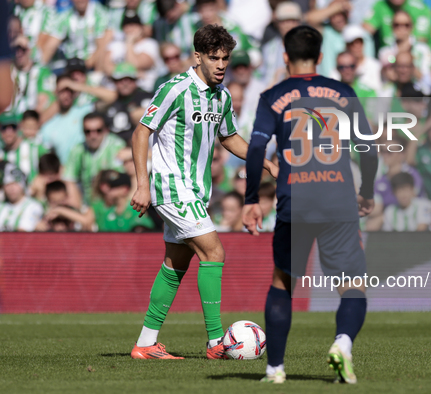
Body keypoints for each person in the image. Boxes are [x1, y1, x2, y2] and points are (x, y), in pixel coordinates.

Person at [129, 24, 277, 360]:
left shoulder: (222, 96)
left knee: (175, 264)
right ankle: (216, 344)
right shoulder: (176, 89)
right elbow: (141, 133)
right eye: (214, 58)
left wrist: (265, 163)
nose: (222, 64)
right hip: (171, 188)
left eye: (226, 58)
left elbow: (230, 138)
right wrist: (142, 183)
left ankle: (146, 344)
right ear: (198, 57)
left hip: (196, 192)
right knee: (214, 253)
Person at [242, 26, 378, 383]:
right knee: (353, 285)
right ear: (320, 57)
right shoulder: (343, 93)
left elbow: (256, 148)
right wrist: (367, 192)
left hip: (294, 200)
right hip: (338, 199)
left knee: (283, 282)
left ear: (285, 57)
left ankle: (275, 370)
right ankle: (343, 344)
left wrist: (252, 199)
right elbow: (368, 147)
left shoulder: (273, 96)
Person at [47, 170, 155, 232]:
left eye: (113, 187)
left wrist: (59, 210)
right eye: (106, 185)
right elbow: (86, 221)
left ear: (125, 189)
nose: (105, 189)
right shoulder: (102, 207)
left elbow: (142, 232)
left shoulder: (135, 209)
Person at [62, 112, 126, 205]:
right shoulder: (77, 150)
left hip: (112, 203)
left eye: (98, 130)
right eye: (88, 131)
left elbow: (123, 182)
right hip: (88, 204)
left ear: (105, 130)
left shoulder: (117, 146)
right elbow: (69, 180)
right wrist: (79, 207)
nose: (93, 135)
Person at [39, 75, 93, 164]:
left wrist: (76, 86)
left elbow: (111, 97)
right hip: (65, 173)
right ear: (56, 92)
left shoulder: (85, 111)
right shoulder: (48, 126)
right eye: (62, 91)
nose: (66, 95)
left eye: (69, 91)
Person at [105, 13, 164, 93]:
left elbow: (134, 64)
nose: (130, 29)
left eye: (134, 25)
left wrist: (129, 42)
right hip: (118, 90)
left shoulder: (150, 44)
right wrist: (135, 73)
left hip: (145, 89)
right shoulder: (115, 45)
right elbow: (106, 69)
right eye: (127, 25)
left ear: (141, 28)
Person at [41, 0, 110, 69]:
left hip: (92, 64)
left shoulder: (100, 14)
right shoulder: (66, 16)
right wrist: (40, 66)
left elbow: (101, 47)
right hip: (71, 64)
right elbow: (51, 45)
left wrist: (85, 66)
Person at [5, 35, 55, 119]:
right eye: (15, 49)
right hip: (6, 120)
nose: (18, 53)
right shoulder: (6, 70)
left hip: (30, 119)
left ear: (29, 51)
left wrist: (28, 122)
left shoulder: (43, 71)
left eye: (23, 50)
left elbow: (44, 100)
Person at [102, 63, 152, 143]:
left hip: (142, 145)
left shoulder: (147, 97)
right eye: (120, 80)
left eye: (129, 79)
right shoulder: (110, 102)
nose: (125, 83)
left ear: (135, 80)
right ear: (114, 82)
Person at [363, 0, 431, 51]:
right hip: (389, 59)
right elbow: (364, 30)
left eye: (406, 25)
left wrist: (393, 53)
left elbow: (421, 39)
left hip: (417, 56)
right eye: (396, 25)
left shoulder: (420, 8)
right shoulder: (380, 5)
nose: (401, 28)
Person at [260, 2, 303, 86]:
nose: (288, 25)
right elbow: (261, 78)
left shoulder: (309, 47)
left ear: (299, 23)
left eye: (293, 21)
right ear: (277, 24)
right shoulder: (268, 48)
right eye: (284, 21)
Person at [0, 112, 49, 182]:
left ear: (19, 127)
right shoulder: (1, 154)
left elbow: (52, 168)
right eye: (4, 127)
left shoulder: (35, 147)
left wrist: (40, 179)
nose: (8, 132)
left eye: (13, 127)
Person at [0, 163, 43, 231]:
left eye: (15, 184)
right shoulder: (2, 206)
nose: (11, 188)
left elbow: (23, 232)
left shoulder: (34, 206)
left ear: (23, 185)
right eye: (8, 185)